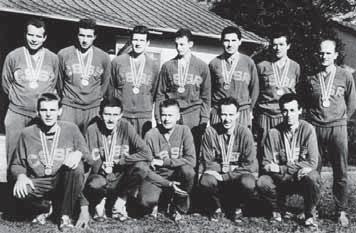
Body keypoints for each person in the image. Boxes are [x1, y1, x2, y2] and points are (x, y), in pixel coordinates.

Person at [9, 93, 92, 230]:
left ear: (59, 111)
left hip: (63, 180)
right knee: (21, 190)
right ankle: (47, 207)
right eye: (44, 110)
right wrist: (21, 176)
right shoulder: (27, 134)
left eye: (52, 110)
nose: (48, 114)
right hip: (42, 183)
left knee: (77, 168)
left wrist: (79, 153)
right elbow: (17, 164)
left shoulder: (71, 129)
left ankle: (65, 216)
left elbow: (89, 158)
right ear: (37, 112)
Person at [303, 39, 356, 226]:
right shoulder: (311, 78)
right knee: (313, 170)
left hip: (337, 128)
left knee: (340, 171)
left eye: (327, 53)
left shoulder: (345, 75)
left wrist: (342, 120)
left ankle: (340, 210)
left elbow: (352, 102)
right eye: (321, 53)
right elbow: (307, 104)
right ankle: (311, 209)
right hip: (316, 128)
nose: (324, 56)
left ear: (335, 55)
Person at [75, 98, 152, 227]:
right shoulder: (92, 129)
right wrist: (100, 166)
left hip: (120, 178)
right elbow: (88, 160)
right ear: (100, 115)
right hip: (101, 176)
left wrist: (121, 161)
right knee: (95, 183)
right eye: (107, 114)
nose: (111, 119)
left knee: (142, 167)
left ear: (121, 115)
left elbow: (147, 153)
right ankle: (99, 203)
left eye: (115, 115)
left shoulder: (126, 126)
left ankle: (121, 202)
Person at [256, 93, 320, 227]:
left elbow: (312, 162)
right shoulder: (273, 133)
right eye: (285, 111)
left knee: (313, 176)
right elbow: (265, 164)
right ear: (281, 112)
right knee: (263, 182)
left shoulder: (308, 129)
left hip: (299, 177)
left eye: (292, 110)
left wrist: (281, 168)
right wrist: (286, 170)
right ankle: (277, 210)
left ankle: (309, 213)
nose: (289, 114)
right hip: (281, 179)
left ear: (300, 111)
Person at [2, 18, 59, 166]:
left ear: (44, 38)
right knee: (13, 155)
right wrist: (20, 100)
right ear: (26, 35)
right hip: (17, 114)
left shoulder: (53, 58)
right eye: (30, 35)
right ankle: (10, 188)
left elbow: (54, 85)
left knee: (36, 157)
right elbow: (6, 83)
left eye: (38, 36)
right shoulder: (13, 56)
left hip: (40, 115)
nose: (34, 39)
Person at [199, 97, 258, 222]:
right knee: (206, 180)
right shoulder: (210, 132)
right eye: (224, 114)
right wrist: (225, 168)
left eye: (231, 114)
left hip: (236, 177)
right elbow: (208, 162)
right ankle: (216, 208)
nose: (227, 118)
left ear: (237, 115)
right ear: (219, 114)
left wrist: (226, 175)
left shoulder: (245, 133)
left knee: (248, 182)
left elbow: (249, 165)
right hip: (218, 175)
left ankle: (238, 208)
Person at [137, 99, 196, 221]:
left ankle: (177, 206)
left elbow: (191, 160)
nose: (166, 119)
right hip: (159, 177)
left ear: (178, 116)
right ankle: (159, 201)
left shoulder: (185, 131)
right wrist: (166, 183)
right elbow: (146, 167)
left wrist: (164, 162)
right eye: (164, 115)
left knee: (188, 171)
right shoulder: (151, 134)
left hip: (177, 175)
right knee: (145, 202)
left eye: (170, 115)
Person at [154, 28, 210, 153]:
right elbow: (160, 94)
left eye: (182, 44)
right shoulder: (168, 66)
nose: (179, 48)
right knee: (172, 148)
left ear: (190, 44)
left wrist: (204, 119)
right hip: (173, 113)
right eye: (176, 44)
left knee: (192, 148)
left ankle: (192, 172)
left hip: (193, 113)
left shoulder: (202, 66)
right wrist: (158, 117)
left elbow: (206, 96)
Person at [57, 18, 111, 134]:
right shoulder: (63, 54)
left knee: (90, 142)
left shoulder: (104, 57)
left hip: (93, 108)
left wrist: (96, 97)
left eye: (89, 36)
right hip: (69, 106)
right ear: (77, 35)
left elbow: (105, 83)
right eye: (82, 35)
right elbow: (59, 82)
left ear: (94, 37)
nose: (85, 40)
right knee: (66, 139)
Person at [255, 30, 300, 153]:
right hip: (265, 113)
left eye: (281, 44)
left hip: (284, 114)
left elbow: (296, 90)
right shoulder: (262, 66)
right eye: (274, 45)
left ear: (288, 46)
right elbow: (255, 91)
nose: (277, 48)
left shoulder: (295, 67)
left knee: (284, 149)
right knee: (263, 148)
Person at [110, 25, 159, 137]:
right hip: (122, 114)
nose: (138, 43)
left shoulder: (153, 66)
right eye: (135, 39)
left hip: (143, 116)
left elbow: (155, 92)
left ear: (147, 43)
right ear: (131, 41)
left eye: (142, 40)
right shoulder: (117, 62)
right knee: (121, 147)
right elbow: (111, 88)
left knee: (141, 148)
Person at [209, 26, 259, 128]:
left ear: (240, 42)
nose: (230, 44)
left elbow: (255, 88)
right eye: (226, 41)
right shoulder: (214, 63)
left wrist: (250, 109)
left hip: (241, 111)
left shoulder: (248, 62)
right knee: (217, 142)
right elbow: (208, 89)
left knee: (241, 141)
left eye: (233, 40)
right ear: (222, 41)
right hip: (220, 112)